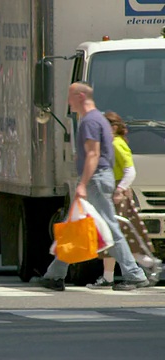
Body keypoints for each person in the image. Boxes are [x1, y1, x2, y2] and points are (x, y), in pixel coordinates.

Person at [40, 83, 149, 291]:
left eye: (70, 96)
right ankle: (55, 274)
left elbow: (93, 154)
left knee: (108, 226)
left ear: (80, 96)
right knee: (74, 225)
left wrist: (82, 184)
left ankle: (134, 274)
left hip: (95, 180)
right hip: (98, 178)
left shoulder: (89, 121)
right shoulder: (98, 119)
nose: (68, 101)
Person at [86, 111, 162, 288]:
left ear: (112, 128)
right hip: (113, 192)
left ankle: (149, 265)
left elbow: (130, 171)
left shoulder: (116, 144)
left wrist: (120, 189)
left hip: (116, 194)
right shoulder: (112, 143)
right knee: (113, 237)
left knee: (118, 237)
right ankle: (109, 277)